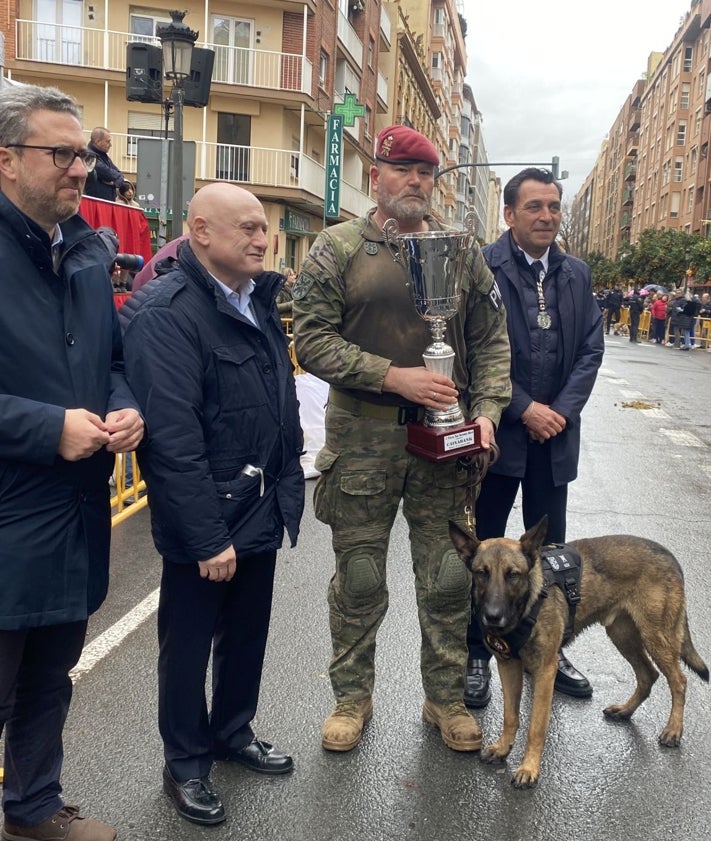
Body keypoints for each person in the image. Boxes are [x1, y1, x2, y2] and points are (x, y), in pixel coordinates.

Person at [292, 124, 511, 754]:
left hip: (445, 445)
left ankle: (444, 701)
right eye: (402, 169)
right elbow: (310, 339)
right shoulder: (336, 249)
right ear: (376, 173)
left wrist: (489, 411)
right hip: (363, 440)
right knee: (359, 578)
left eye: (425, 172)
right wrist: (394, 377)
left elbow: (493, 340)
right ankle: (350, 699)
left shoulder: (464, 251)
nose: (414, 182)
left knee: (446, 579)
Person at [120, 183, 305, 826]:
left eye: (264, 230)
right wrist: (205, 536)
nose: (262, 240)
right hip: (210, 513)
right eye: (248, 229)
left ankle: (232, 731)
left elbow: (274, 395)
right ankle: (187, 762)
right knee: (189, 643)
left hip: (260, 502)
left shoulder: (256, 298)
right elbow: (172, 440)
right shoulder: (167, 311)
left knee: (247, 635)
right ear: (200, 231)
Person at [0, 84, 144, 841]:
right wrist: (44, 426)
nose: (81, 168)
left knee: (48, 680)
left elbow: (112, 360)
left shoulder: (88, 252)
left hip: (76, 513)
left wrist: (124, 405)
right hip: (10, 508)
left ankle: (31, 807)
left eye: (84, 153)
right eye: (60, 153)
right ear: (6, 160)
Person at [463, 167, 604, 709]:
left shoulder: (577, 274)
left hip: (554, 441)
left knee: (549, 556)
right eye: (534, 207)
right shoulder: (482, 267)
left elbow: (591, 349)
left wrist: (560, 413)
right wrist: (524, 409)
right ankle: (479, 650)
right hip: (499, 438)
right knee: (485, 557)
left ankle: (553, 647)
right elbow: (474, 350)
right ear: (509, 213)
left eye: (553, 207)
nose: (546, 217)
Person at [82, 126, 125, 201]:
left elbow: (119, 174)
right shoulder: (88, 156)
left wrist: (114, 182)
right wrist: (115, 181)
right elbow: (108, 173)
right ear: (98, 141)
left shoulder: (103, 156)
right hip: (95, 205)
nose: (110, 145)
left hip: (105, 203)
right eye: (108, 141)